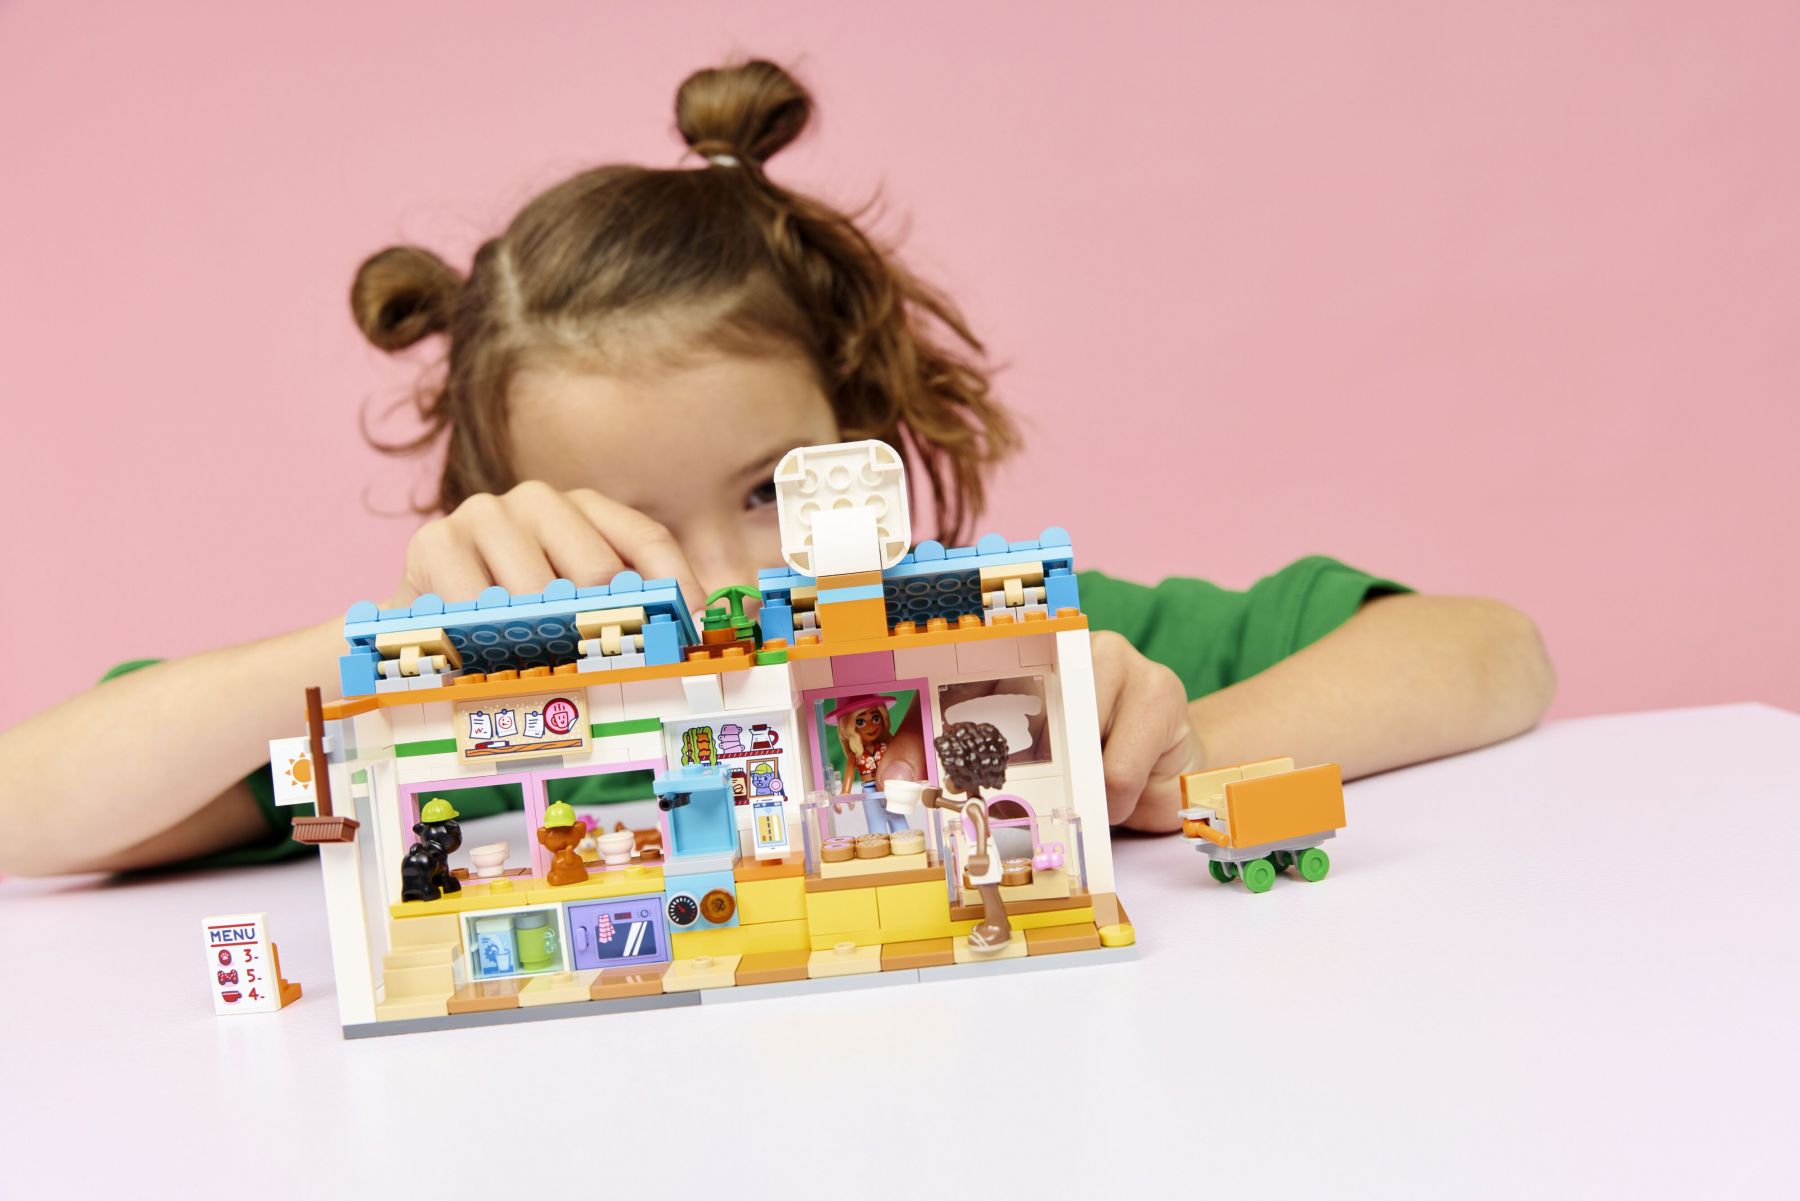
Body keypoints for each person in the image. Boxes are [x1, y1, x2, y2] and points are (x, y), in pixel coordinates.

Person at [0, 59, 1555, 877]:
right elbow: (29, 810)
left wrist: (1153, 751)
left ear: (867, 440)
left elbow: (1491, 651)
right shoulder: (461, 728)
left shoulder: (999, 646)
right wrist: (384, 653)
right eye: (624, 532)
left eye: (768, 492)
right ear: (512, 530)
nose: (728, 579)